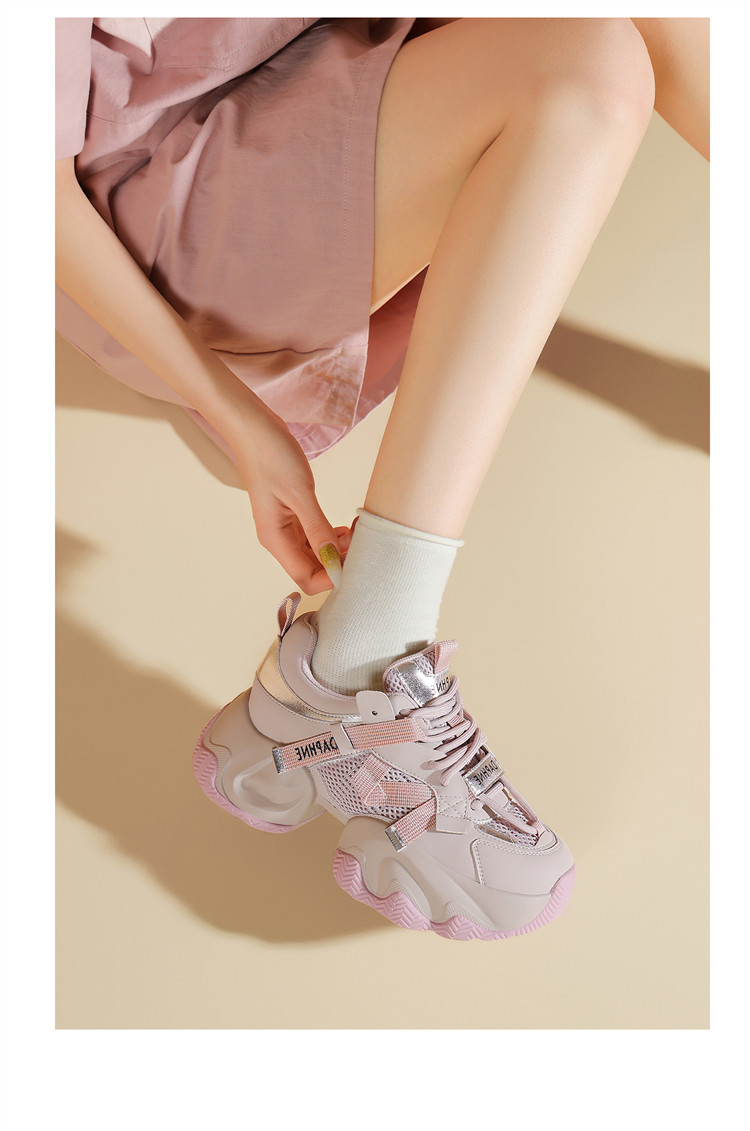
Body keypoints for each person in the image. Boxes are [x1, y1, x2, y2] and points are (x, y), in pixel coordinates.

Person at [56, 17, 709, 940]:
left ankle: (316, 694)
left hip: (324, 66)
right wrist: (236, 416)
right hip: (163, 196)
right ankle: (365, 647)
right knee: (589, 69)